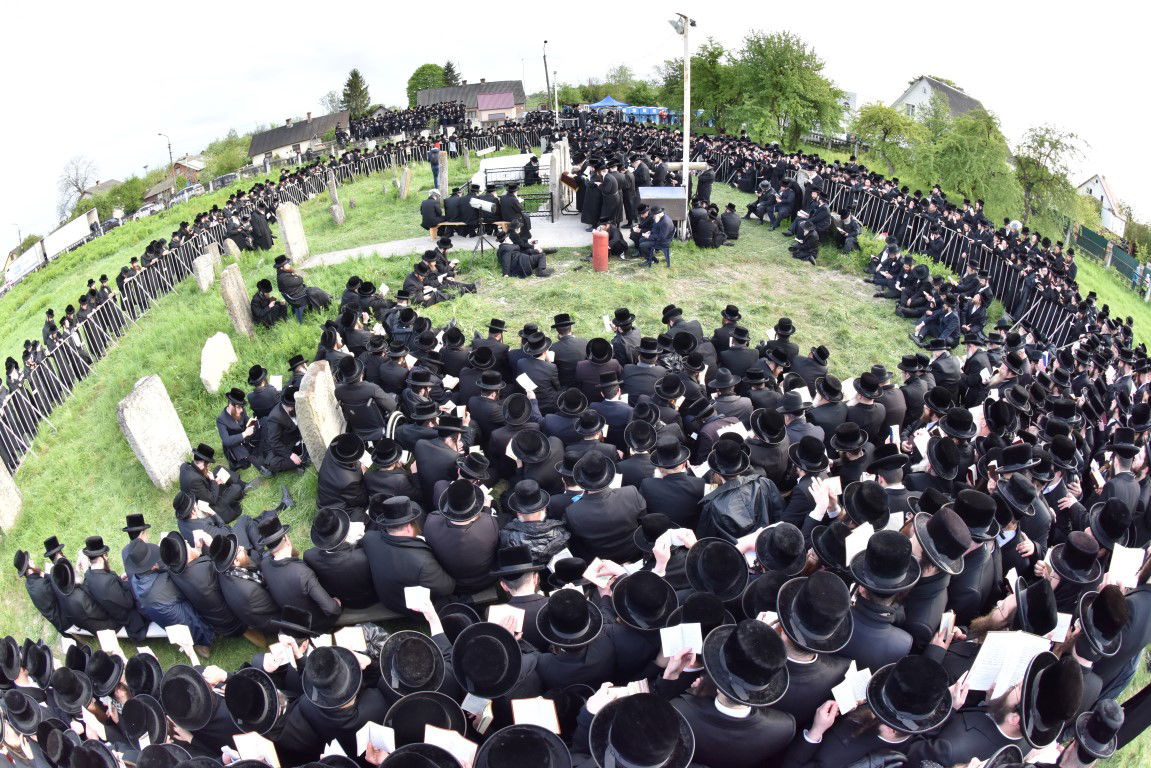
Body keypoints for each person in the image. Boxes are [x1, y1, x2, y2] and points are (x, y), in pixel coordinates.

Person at [275, 255, 330, 324]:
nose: (289, 265)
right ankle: (327, 304)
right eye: (287, 264)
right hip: (297, 298)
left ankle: (328, 297)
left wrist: (294, 276)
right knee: (316, 293)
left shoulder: (282, 274)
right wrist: (295, 275)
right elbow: (300, 280)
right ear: (281, 267)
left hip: (296, 293)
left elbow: (297, 281)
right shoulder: (284, 278)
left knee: (315, 289)